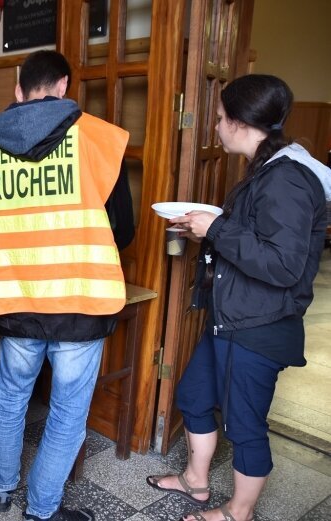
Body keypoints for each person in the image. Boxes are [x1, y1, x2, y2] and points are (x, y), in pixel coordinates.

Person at [0, 50, 133, 521]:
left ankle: (0, 489)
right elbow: (124, 228)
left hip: (15, 301)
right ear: (63, 87)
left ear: (19, 91)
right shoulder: (96, 139)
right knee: (67, 412)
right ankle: (42, 510)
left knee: (11, 398)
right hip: (78, 299)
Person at [146, 74, 331, 521]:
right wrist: (205, 229)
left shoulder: (286, 179)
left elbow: (283, 265)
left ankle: (238, 512)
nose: (215, 125)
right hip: (232, 316)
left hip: (258, 326)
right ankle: (196, 481)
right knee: (192, 397)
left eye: (221, 117)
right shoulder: (267, 168)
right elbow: (255, 237)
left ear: (241, 121)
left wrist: (217, 228)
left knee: (245, 426)